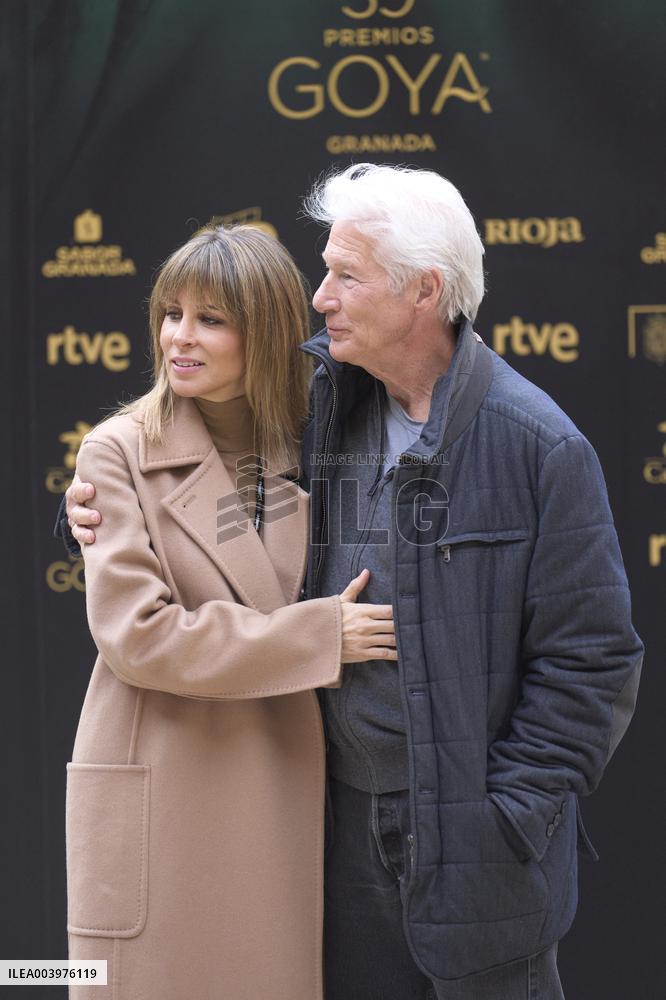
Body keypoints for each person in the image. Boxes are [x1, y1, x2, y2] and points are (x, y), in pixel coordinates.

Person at [62, 165, 644, 1000]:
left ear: (423, 292)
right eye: (324, 271)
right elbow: (183, 465)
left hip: (473, 852)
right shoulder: (327, 406)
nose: (321, 296)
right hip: (325, 833)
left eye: (344, 275)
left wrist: (507, 818)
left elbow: (593, 661)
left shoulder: (539, 446)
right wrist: (83, 509)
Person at [57, 222, 397, 1000]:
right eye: (171, 314)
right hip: (161, 798)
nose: (180, 337)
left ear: (267, 332)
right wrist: (318, 637)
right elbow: (138, 637)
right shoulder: (117, 450)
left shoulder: (319, 445)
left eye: (211, 319)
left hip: (275, 795)